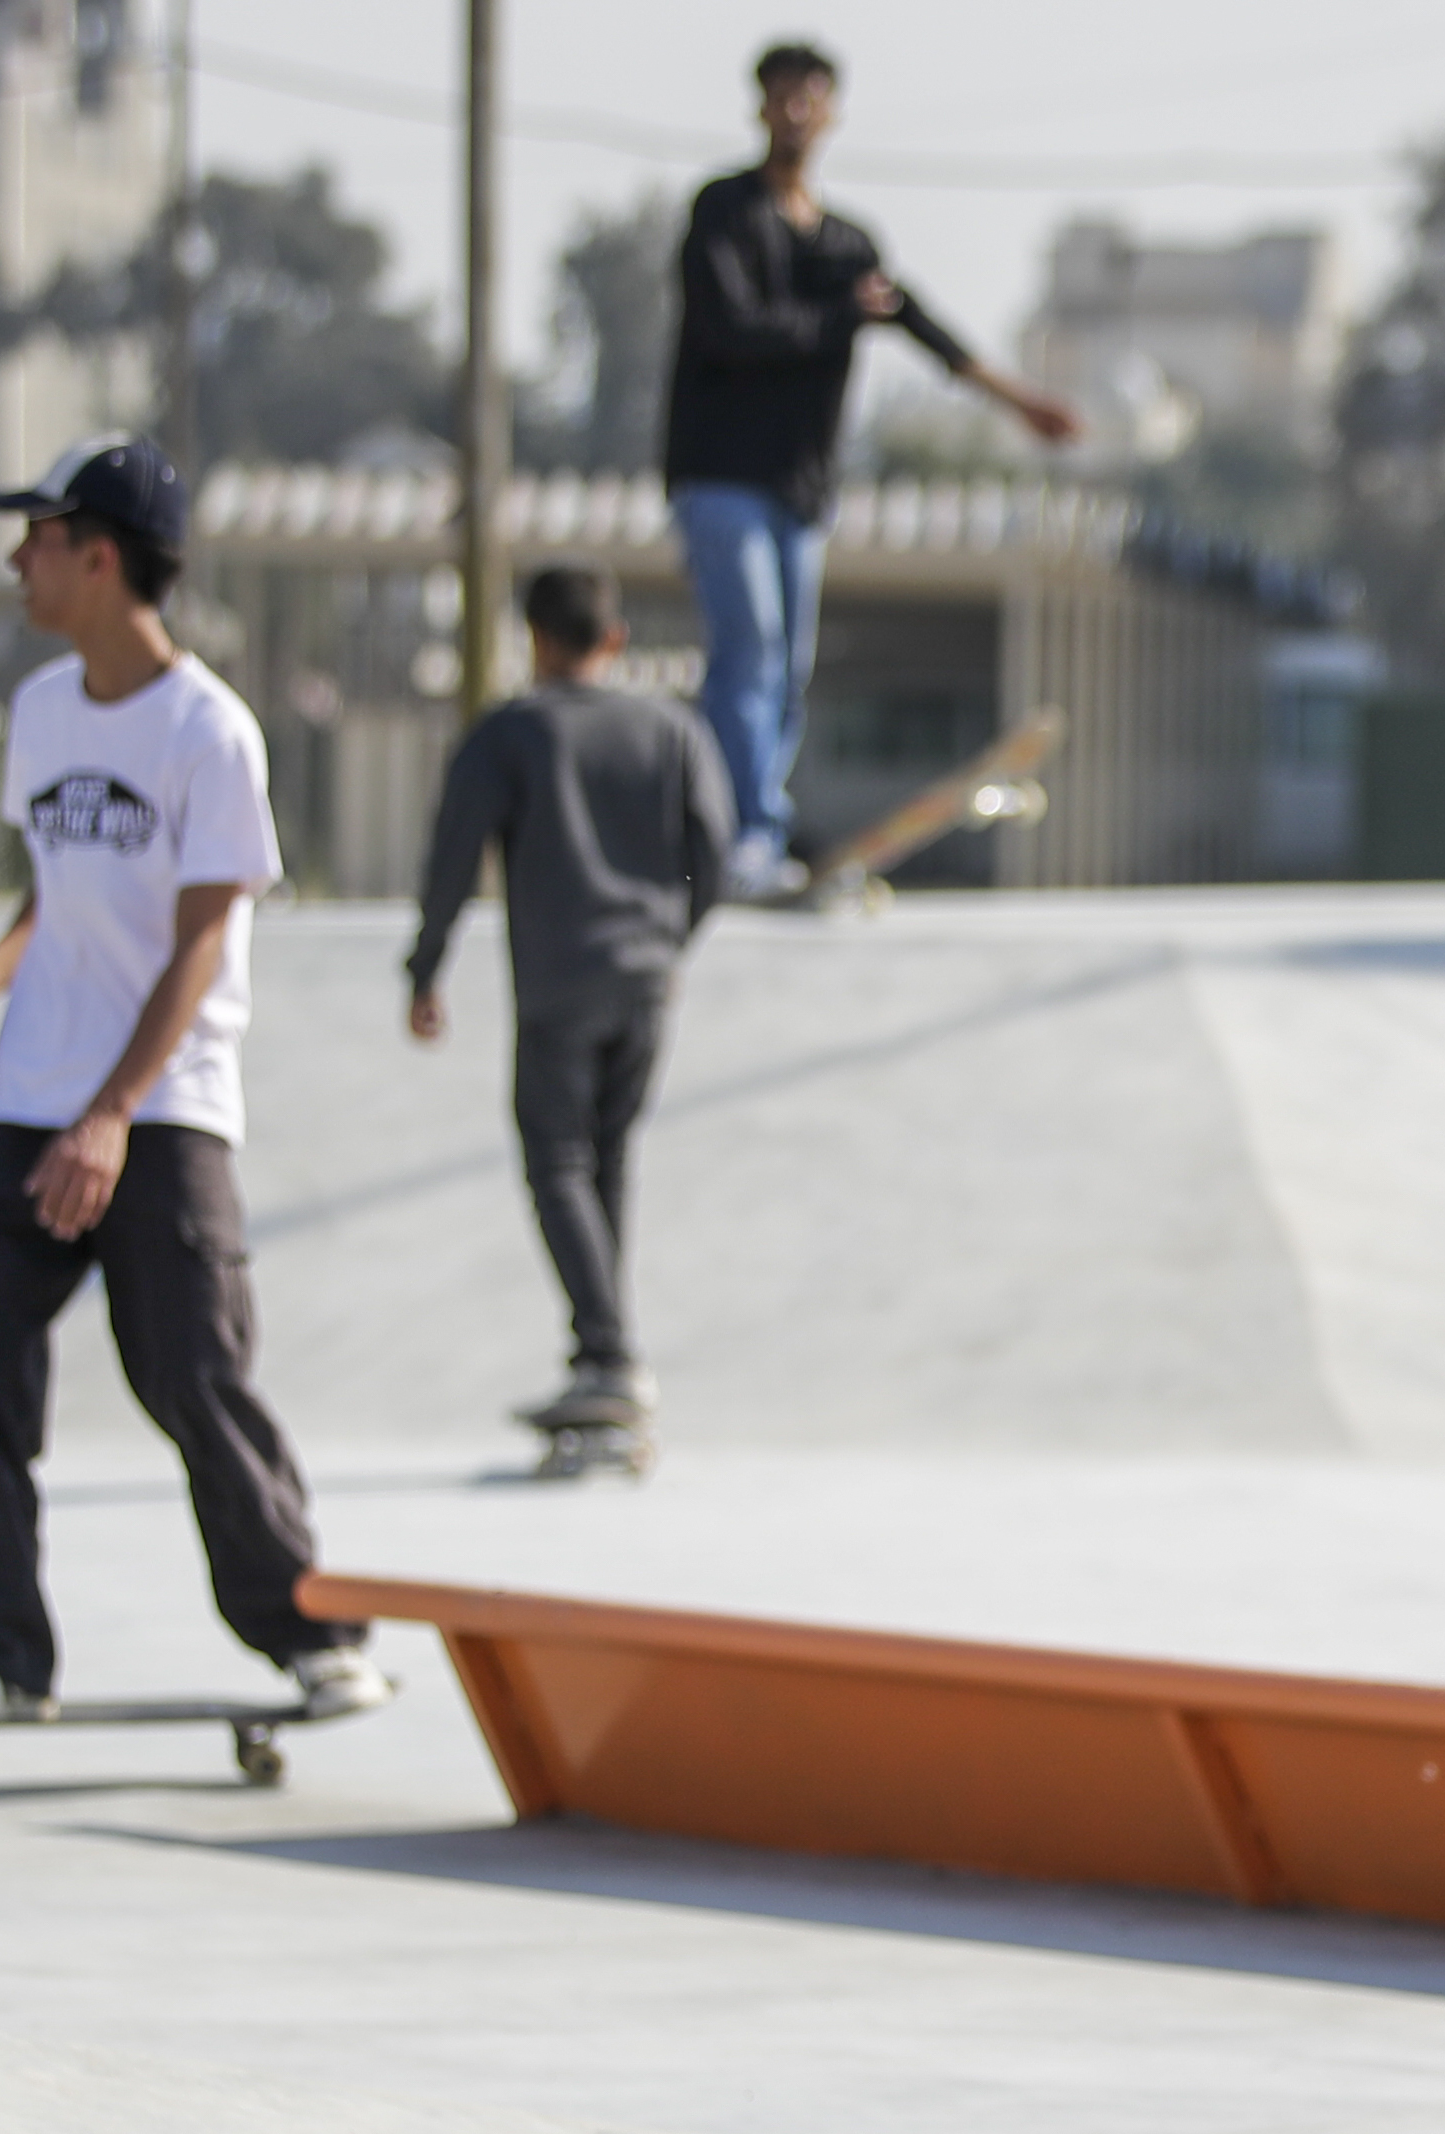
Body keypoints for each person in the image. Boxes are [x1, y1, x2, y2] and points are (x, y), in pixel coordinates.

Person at [0, 435, 384, 1725]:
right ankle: (4, 1653)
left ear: (100, 555)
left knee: (190, 1371)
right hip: (22, 1096)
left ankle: (305, 1628)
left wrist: (114, 1112)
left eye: (39, 539)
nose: (18, 561)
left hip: (164, 1104)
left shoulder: (208, 732)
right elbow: (57, 879)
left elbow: (201, 939)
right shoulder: (45, 710)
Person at [666, 38, 1083, 900]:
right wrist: (833, 318)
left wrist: (1019, 402)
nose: (794, 113)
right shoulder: (724, 215)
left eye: (808, 98)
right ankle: (741, 833)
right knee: (749, 655)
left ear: (829, 112)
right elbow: (729, 330)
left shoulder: (847, 243)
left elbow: (921, 327)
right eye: (780, 97)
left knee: (787, 669)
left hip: (801, 486)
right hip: (719, 475)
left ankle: (757, 825)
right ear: (759, 108)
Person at [402, 564, 736, 1450]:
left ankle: (609, 1353)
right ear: (613, 638)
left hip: (558, 980)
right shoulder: (671, 729)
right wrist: (669, 939)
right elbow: (716, 847)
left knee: (555, 1159)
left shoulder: (511, 733)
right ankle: (600, 1356)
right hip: (646, 979)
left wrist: (426, 966)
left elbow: (453, 852)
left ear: (534, 639)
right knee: (607, 1158)